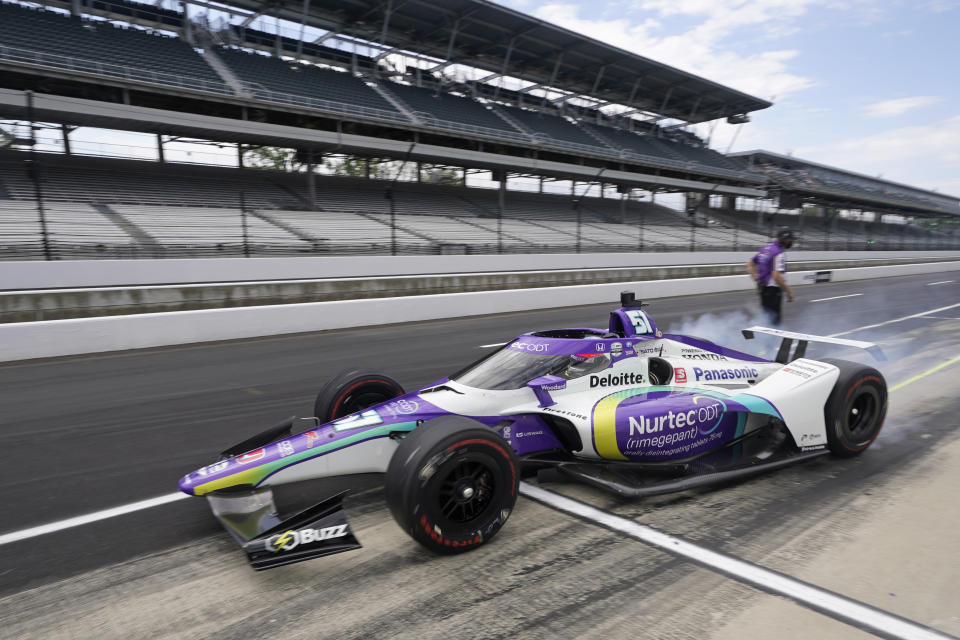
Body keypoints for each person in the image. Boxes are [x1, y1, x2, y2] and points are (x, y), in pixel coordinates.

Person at [747, 230, 795, 325]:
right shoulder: (778, 252)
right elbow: (776, 275)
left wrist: (756, 278)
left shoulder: (765, 249)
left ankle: (764, 338)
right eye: (789, 240)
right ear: (783, 239)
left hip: (762, 288)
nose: (791, 242)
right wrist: (789, 292)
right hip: (773, 291)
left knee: (766, 317)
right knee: (775, 321)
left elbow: (749, 264)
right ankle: (773, 339)